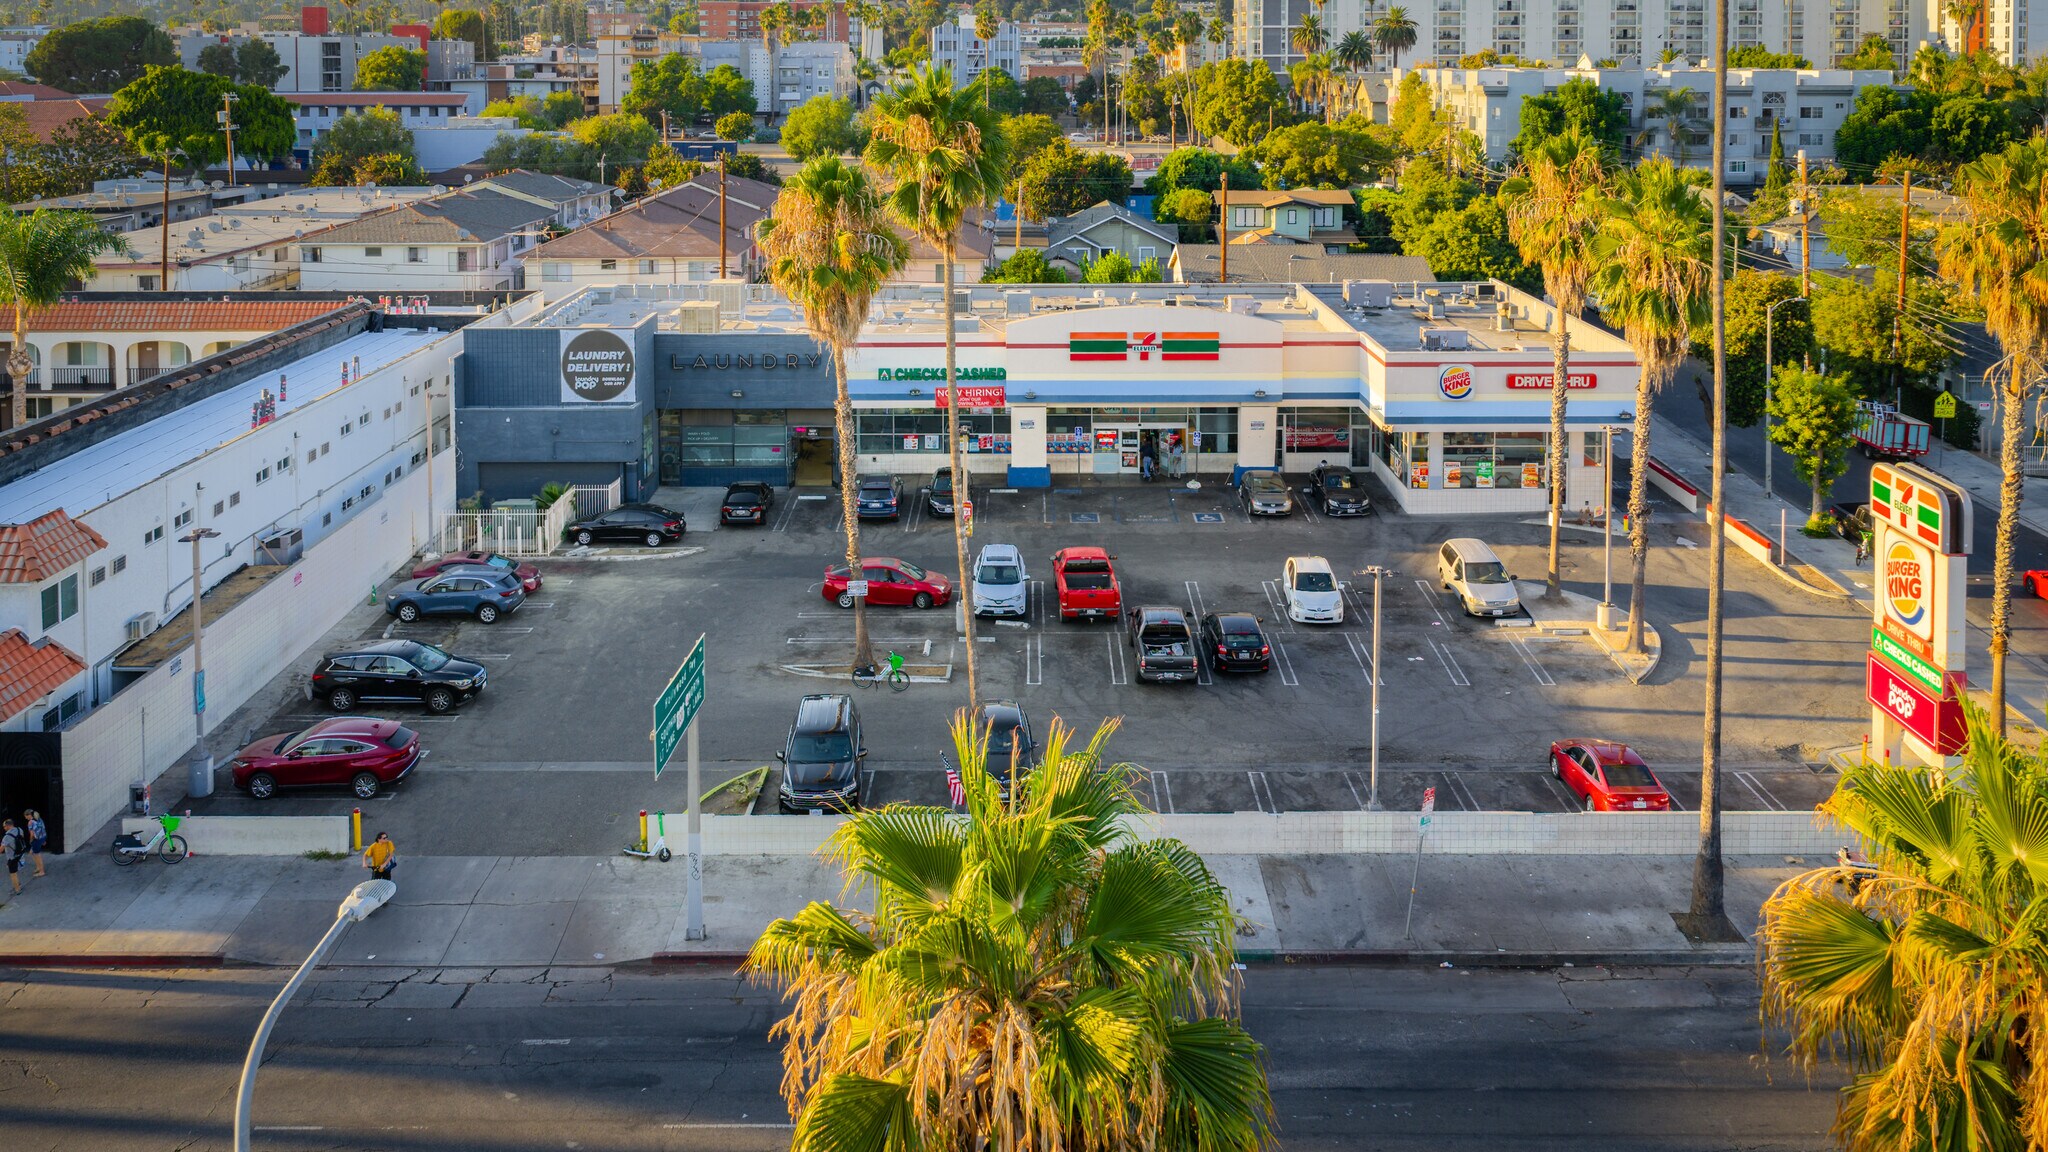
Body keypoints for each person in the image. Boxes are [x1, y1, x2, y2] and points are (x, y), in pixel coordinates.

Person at [1, 819, 22, 895]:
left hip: (12, 857)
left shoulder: (6, 837)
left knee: (13, 873)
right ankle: (18, 884)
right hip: (19, 854)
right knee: (15, 871)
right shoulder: (19, 829)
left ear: (8, 826)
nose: (4, 828)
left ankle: (17, 890)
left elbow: (1, 849)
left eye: (4, 826)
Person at [24, 809, 45, 878]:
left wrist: (30, 840)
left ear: (29, 815)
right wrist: (43, 840)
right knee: (32, 852)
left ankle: (41, 871)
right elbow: (43, 828)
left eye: (26, 816)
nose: (25, 818)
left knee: (37, 855)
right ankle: (38, 867)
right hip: (42, 837)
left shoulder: (30, 822)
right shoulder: (39, 819)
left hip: (36, 840)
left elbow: (32, 834)